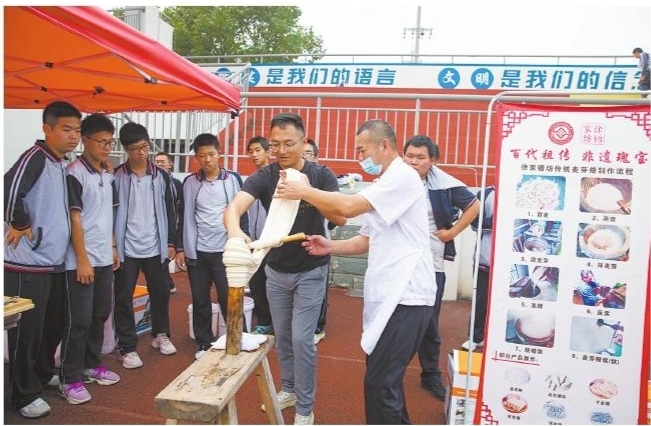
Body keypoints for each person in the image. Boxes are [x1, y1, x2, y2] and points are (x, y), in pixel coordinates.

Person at [275, 119, 438, 424]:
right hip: (389, 295)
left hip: (408, 295)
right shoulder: (384, 184)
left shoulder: (402, 177)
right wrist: (330, 246)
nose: (359, 157)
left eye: (362, 150)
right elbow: (365, 241)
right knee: (384, 382)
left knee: (380, 384)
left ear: (384, 145)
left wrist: (305, 191)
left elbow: (348, 207)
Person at [224, 113, 346, 425]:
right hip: (276, 270)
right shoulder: (266, 176)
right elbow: (234, 207)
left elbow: (341, 217)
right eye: (275, 144)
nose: (281, 150)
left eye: (289, 143)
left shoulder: (320, 175)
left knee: (303, 340)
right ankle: (289, 389)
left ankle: (305, 408)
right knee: (283, 337)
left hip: (311, 269)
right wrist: (236, 232)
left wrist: (305, 191)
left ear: (304, 143)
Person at [4, 100, 82, 418]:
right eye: (66, 129)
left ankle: (38, 374)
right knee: (26, 332)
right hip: (27, 263)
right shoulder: (35, 157)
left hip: (51, 263)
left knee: (52, 324)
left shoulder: (59, 163)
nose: (73, 136)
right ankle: (22, 395)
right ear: (47, 129)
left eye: (77, 130)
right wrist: (21, 222)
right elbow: (9, 189)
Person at [403, 135, 479, 401]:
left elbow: (474, 205)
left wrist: (452, 233)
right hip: (398, 262)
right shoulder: (394, 179)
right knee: (393, 318)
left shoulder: (443, 184)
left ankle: (430, 374)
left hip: (430, 263)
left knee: (428, 321)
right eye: (409, 156)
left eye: (421, 157)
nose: (414, 162)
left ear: (433, 160)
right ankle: (391, 369)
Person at [58, 113, 122, 405]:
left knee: (100, 314)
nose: (107, 147)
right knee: (79, 320)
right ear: (86, 140)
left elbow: (108, 215)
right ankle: (69, 378)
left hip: (104, 257)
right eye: (102, 141)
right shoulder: (74, 173)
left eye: (110, 142)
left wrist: (112, 248)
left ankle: (91, 365)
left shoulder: (107, 174)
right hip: (80, 261)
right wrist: (82, 260)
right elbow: (75, 219)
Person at [175, 134, 249, 360]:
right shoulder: (190, 182)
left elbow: (241, 212)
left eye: (211, 154)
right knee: (200, 299)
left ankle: (239, 338)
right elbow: (184, 217)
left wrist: (244, 240)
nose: (207, 159)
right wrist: (181, 248)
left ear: (219, 154)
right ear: (196, 158)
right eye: (202, 155)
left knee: (230, 296)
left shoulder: (233, 179)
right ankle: (204, 343)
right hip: (198, 251)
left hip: (226, 250)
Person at [113, 122, 178, 369]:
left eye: (144, 147)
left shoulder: (162, 176)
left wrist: (170, 242)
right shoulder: (116, 177)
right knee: (123, 297)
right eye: (134, 149)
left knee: (160, 292)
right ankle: (127, 348)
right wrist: (114, 247)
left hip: (155, 245)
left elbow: (171, 211)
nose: (141, 153)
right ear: (125, 150)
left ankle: (161, 335)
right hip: (126, 248)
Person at [304, 138, 334, 345]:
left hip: (320, 244)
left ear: (316, 157)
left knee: (319, 289)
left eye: (309, 153)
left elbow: (336, 217)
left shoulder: (322, 179)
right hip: (297, 243)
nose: (305, 157)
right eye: (302, 153)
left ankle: (318, 327)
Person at [246, 135, 274, 336]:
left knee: (274, 285)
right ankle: (264, 321)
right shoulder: (250, 181)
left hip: (273, 243)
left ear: (268, 152)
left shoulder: (276, 179)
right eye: (251, 151)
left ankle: (278, 322)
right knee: (256, 283)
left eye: (258, 150)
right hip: (254, 243)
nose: (254, 155)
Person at [462, 185, 495, 352]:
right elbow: (475, 223)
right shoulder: (485, 193)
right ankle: (476, 337)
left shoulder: (521, 193)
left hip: (513, 261)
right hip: (485, 258)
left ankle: (501, 339)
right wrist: (499, 221)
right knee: (480, 301)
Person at [154, 152, 184, 294]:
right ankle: (168, 283)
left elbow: (179, 205)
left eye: (162, 161)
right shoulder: (153, 181)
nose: (159, 164)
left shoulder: (177, 183)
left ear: (170, 164)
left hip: (172, 224)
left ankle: (167, 284)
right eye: (156, 161)